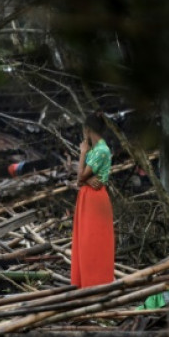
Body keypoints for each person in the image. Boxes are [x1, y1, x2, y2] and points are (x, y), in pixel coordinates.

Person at [71, 114, 115, 288]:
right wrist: (86, 180)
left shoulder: (100, 150)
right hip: (88, 196)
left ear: (88, 130)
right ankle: (84, 283)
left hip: (95, 199)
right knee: (84, 241)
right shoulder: (96, 150)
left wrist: (82, 153)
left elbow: (79, 177)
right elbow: (82, 179)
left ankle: (95, 283)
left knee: (94, 242)